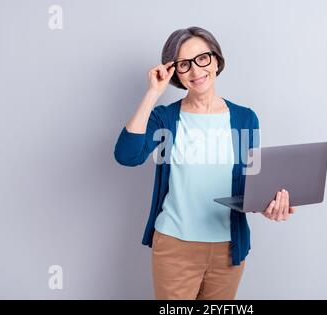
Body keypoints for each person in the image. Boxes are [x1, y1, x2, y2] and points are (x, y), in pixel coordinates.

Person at [114, 26, 296, 300]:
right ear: (174, 72)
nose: (196, 70)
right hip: (175, 247)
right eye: (184, 65)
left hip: (228, 249)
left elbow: (249, 185)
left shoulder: (246, 118)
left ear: (216, 60)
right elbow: (127, 156)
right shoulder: (164, 119)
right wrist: (153, 93)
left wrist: (267, 206)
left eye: (202, 58)